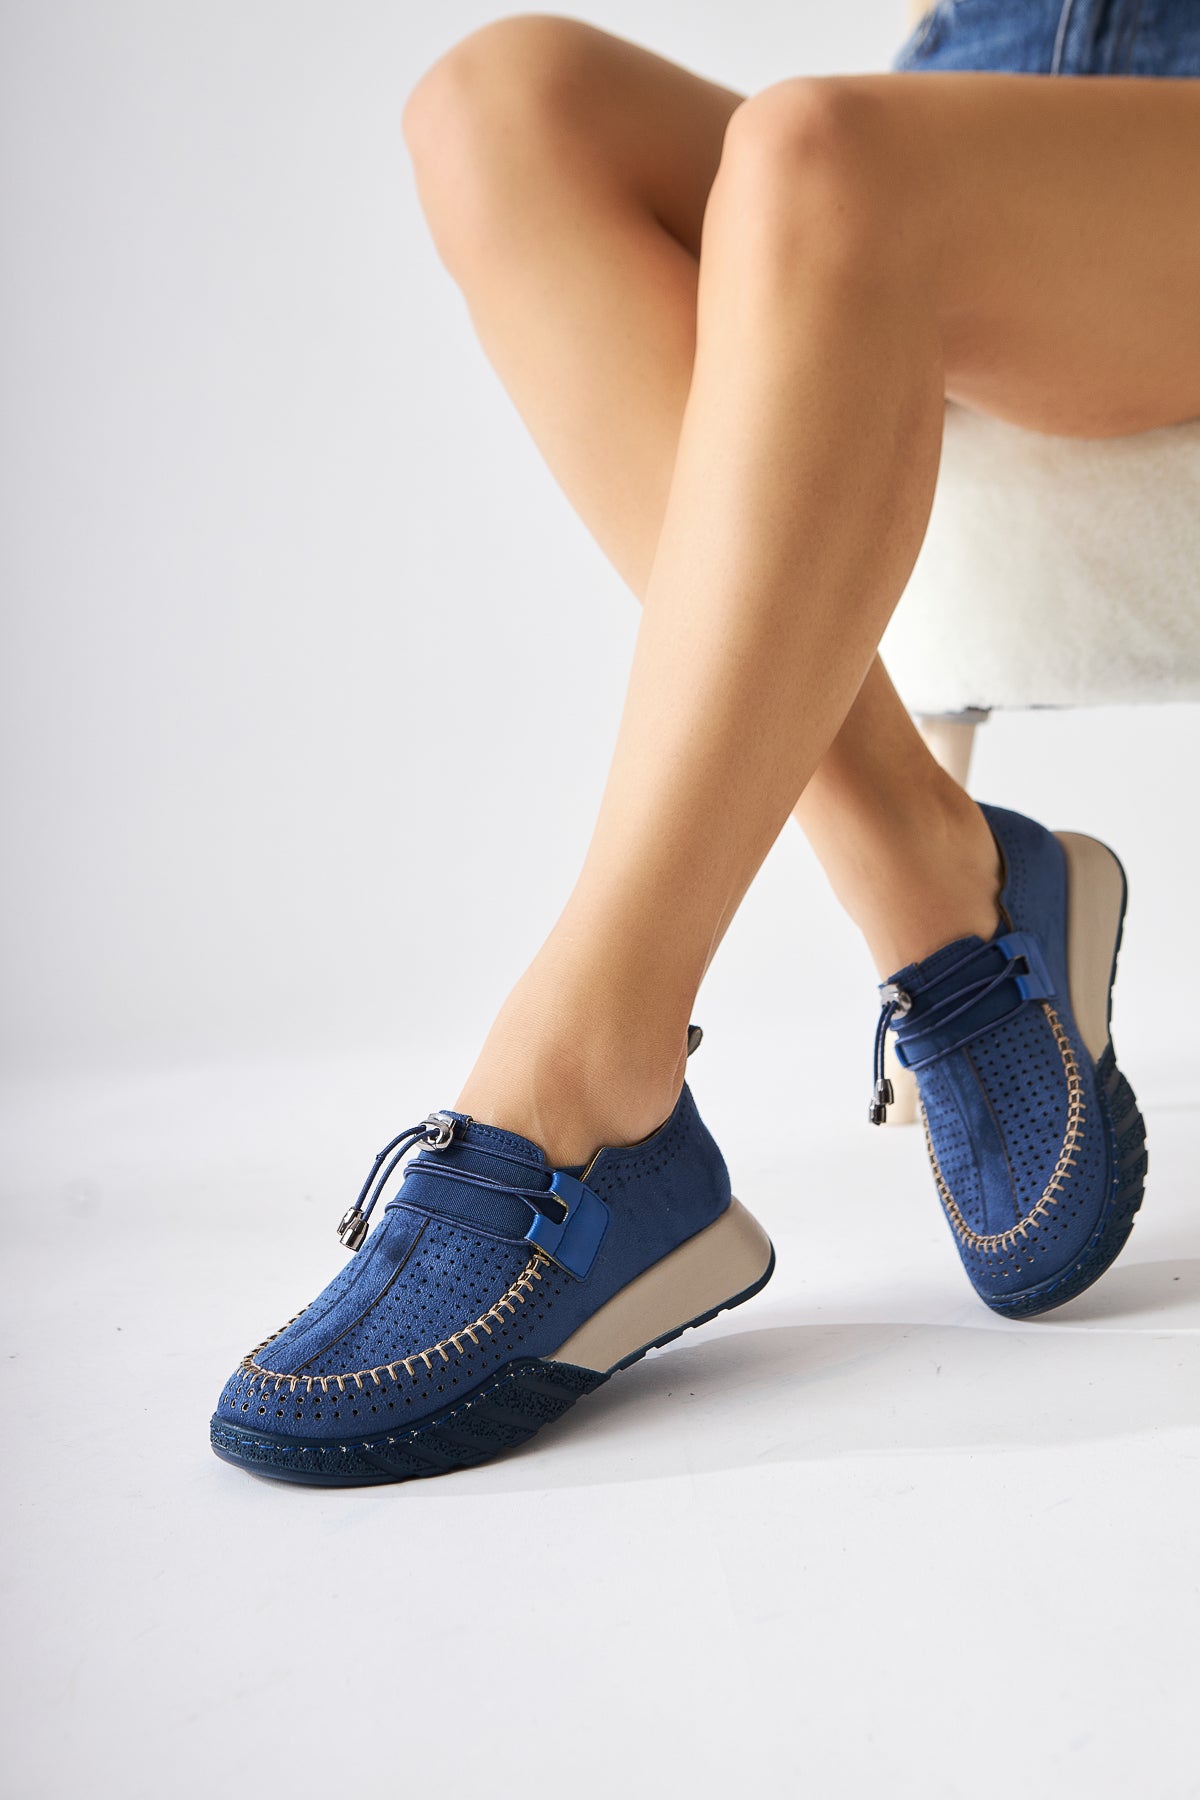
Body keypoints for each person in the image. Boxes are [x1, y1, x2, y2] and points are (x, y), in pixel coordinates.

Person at [210, 0, 1197, 1485]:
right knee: (501, 104)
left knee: (824, 154)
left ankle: (588, 1081)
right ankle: (928, 875)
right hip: (989, 92)